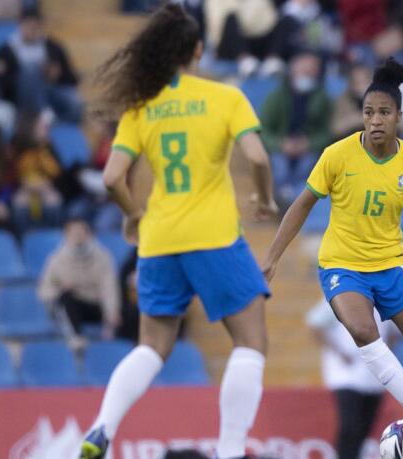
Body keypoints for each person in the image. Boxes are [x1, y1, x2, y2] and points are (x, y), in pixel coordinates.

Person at [78, 5, 276, 459]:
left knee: (152, 345)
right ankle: (229, 451)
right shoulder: (225, 97)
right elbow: (260, 158)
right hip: (215, 236)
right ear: (198, 49)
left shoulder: (142, 107)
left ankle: (101, 428)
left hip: (159, 238)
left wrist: (133, 215)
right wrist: (264, 199)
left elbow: (111, 179)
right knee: (250, 341)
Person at [262, 58, 403, 459]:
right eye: (368, 112)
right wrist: (271, 259)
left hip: (391, 264)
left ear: (399, 118)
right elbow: (301, 206)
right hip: (343, 265)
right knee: (362, 330)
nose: (375, 120)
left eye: (384, 113)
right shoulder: (337, 155)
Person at [306, 299, 388, 459]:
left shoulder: (382, 298)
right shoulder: (340, 296)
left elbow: (393, 331)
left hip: (374, 377)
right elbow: (315, 325)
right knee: (350, 426)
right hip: (346, 375)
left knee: (365, 428)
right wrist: (339, 352)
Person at [260, 50, 332, 207]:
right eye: (304, 66)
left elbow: (327, 132)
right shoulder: (276, 97)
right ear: (293, 66)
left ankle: (298, 201)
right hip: (281, 147)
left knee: (309, 162)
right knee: (279, 164)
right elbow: (263, 130)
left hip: (308, 148)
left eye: (312, 68)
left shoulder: (322, 98)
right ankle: (281, 201)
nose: (307, 71)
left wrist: (309, 143)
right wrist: (280, 144)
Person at [38, 217, 120, 341]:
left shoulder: (103, 257)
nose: (78, 236)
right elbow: (45, 289)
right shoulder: (56, 259)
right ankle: (76, 339)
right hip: (73, 307)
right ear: (66, 236)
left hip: (97, 305)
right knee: (65, 299)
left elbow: (109, 287)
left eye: (81, 232)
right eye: (73, 233)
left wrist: (111, 311)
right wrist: (60, 290)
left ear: (89, 234)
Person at [0, 7, 82, 122]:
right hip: (19, 97)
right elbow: (3, 86)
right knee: (30, 69)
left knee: (75, 103)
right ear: (20, 26)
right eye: (29, 26)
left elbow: (72, 78)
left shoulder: (53, 47)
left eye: (36, 27)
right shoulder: (7, 50)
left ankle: (54, 122)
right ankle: (39, 114)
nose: (32, 31)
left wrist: (57, 75)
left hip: (49, 92)